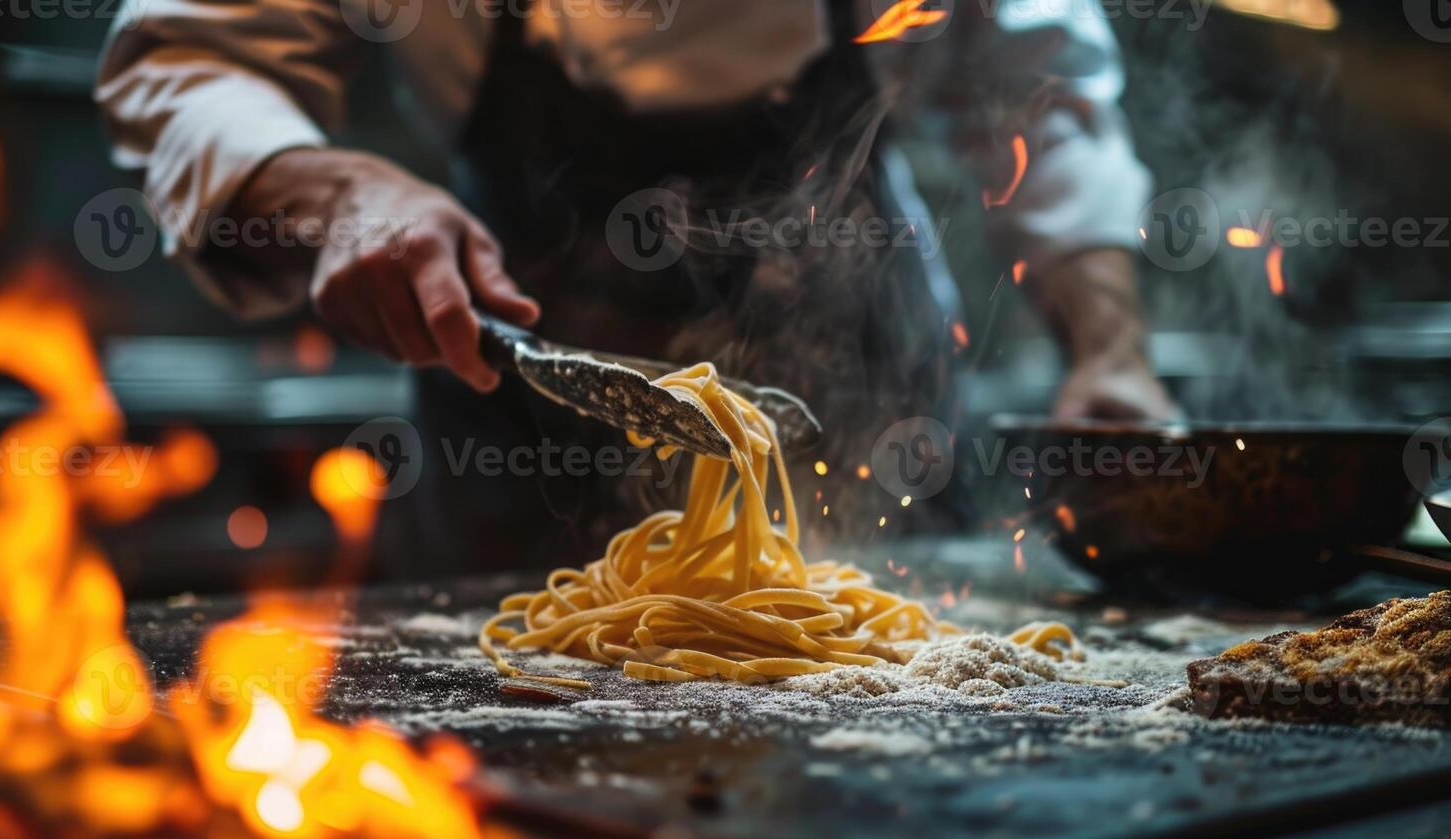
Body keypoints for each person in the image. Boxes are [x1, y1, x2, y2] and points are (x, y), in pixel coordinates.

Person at [96, 0, 1177, 573]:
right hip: (512, 400)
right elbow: (188, 56)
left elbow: (1038, 89)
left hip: (871, 388)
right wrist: (332, 193)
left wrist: (1110, 349)